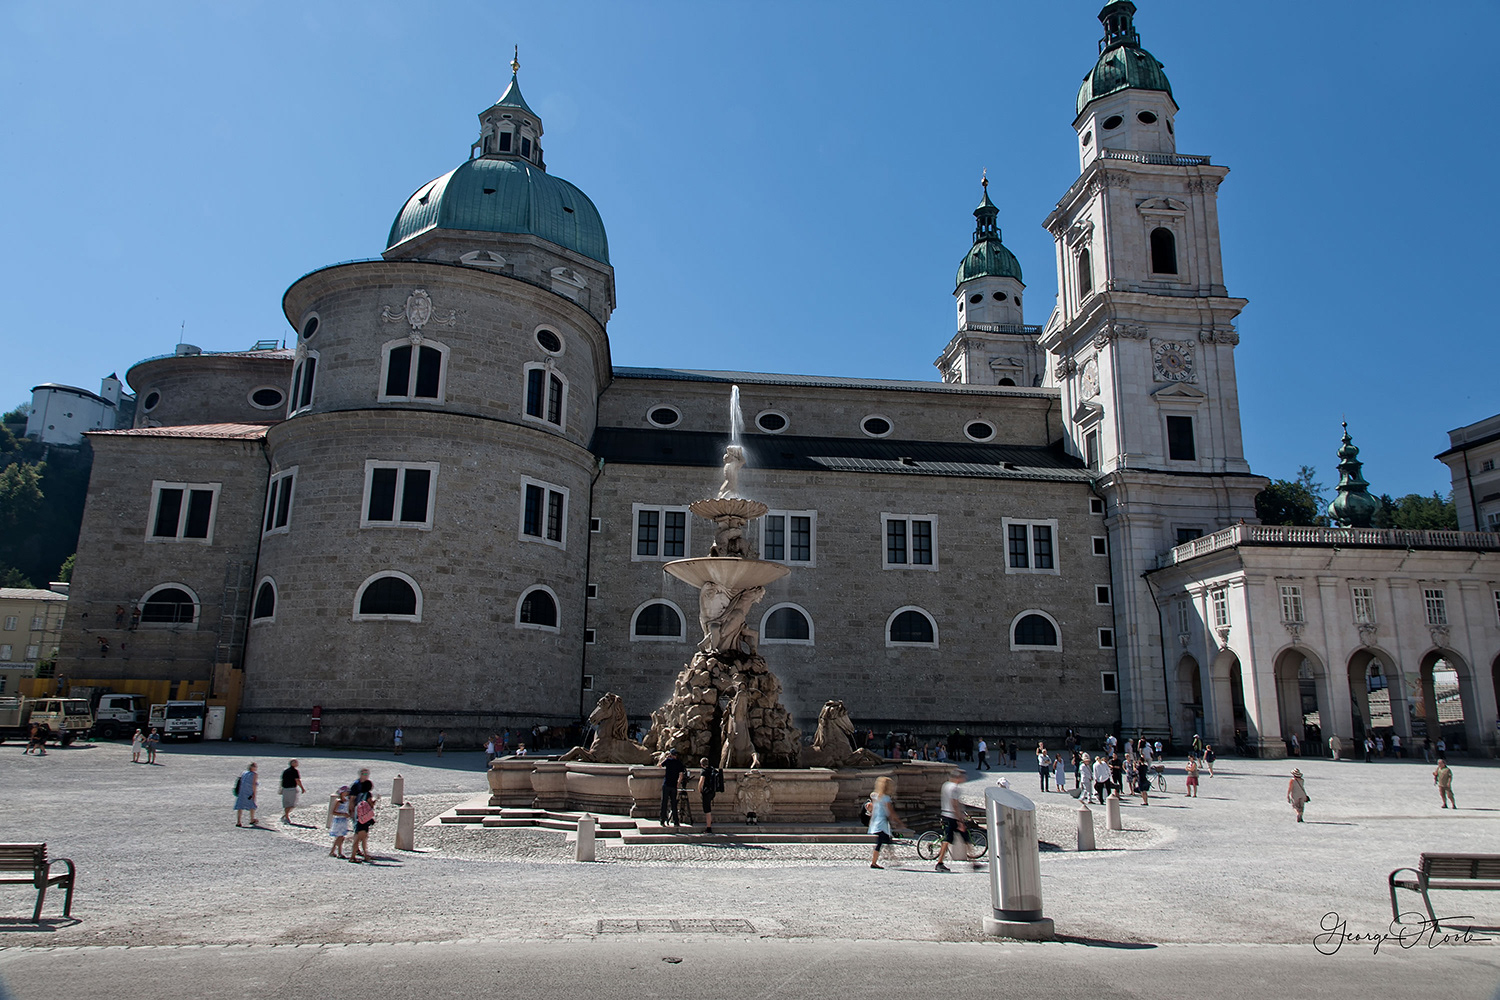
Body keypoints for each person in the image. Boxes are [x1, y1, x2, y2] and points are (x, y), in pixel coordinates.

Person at [935, 768, 978, 872]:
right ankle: (939, 862)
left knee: (964, 838)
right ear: (958, 777)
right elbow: (955, 804)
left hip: (945, 814)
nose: (964, 779)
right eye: (963, 777)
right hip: (952, 817)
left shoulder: (946, 785)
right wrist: (960, 820)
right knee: (948, 840)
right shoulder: (955, 788)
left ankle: (974, 862)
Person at [866, 775, 901, 869]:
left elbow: (872, 807)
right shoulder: (886, 798)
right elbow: (891, 812)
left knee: (885, 840)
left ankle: (890, 857)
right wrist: (898, 822)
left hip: (876, 821)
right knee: (881, 842)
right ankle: (875, 862)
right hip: (881, 823)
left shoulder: (876, 796)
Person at [660, 749, 686, 829]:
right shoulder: (679, 763)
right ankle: (676, 821)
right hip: (674, 786)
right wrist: (678, 783)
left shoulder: (668, 761)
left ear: (671, 754)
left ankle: (662, 820)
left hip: (666, 784)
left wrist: (666, 758)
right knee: (674, 803)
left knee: (664, 802)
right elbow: (681, 775)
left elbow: (659, 765)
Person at [697, 757, 723, 834]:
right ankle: (710, 822)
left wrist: (700, 790)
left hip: (706, 792)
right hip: (712, 792)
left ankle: (709, 828)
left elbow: (701, 782)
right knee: (708, 809)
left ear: (701, 765)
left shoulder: (704, 771)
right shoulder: (713, 770)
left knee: (707, 810)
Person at [280, 759, 306, 824]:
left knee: (287, 803)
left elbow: (282, 781)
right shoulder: (295, 771)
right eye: (295, 762)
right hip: (291, 789)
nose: (297, 763)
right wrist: (302, 788)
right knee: (292, 804)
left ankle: (285, 815)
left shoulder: (285, 771)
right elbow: (297, 780)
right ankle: (286, 816)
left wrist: (281, 789)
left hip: (285, 789)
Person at [328, 786, 352, 858]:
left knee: (342, 837)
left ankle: (335, 851)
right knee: (339, 837)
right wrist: (343, 814)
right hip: (338, 820)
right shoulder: (338, 801)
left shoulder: (347, 801)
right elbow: (333, 812)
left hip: (344, 820)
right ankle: (337, 852)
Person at [235, 762, 259, 827]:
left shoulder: (244, 773)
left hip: (242, 791)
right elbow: (254, 784)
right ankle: (251, 819)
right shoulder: (254, 774)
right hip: (249, 791)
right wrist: (254, 792)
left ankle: (238, 821)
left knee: (240, 806)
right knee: (252, 805)